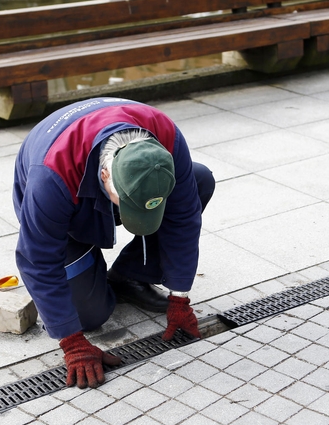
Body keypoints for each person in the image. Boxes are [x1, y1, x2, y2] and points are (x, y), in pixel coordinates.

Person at [12, 97, 215, 389]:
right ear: (105, 177)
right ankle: (88, 262)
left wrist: (180, 295)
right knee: (90, 317)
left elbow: (183, 219)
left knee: (198, 179)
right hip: (68, 208)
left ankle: (130, 276)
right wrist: (72, 343)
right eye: (129, 206)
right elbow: (37, 259)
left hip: (98, 178)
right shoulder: (51, 177)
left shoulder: (166, 135)